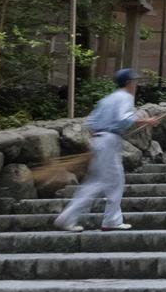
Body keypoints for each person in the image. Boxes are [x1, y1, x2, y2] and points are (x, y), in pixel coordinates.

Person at [54, 68, 158, 232]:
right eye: (135, 81)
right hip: (109, 140)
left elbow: (91, 122)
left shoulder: (108, 99)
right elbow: (124, 119)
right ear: (129, 82)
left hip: (100, 140)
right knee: (101, 182)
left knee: (112, 180)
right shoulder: (125, 97)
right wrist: (147, 120)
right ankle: (70, 217)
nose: (136, 85)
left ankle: (111, 220)